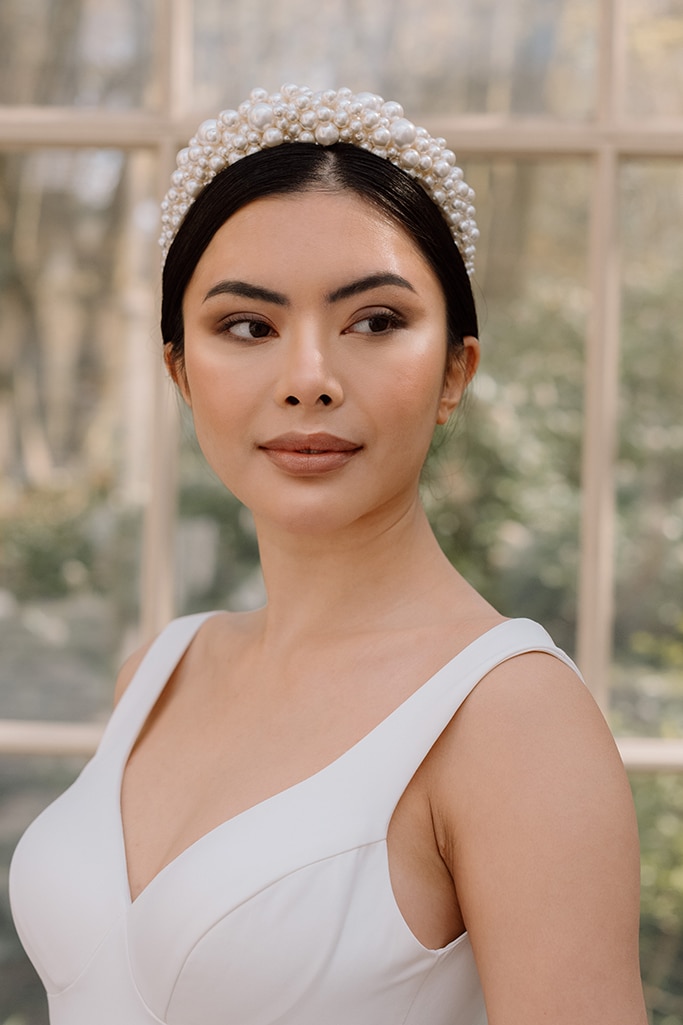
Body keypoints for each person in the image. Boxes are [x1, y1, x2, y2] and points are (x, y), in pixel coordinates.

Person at [10, 85, 647, 1025]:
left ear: (454, 372)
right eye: (247, 327)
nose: (308, 379)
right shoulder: (159, 671)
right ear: (181, 372)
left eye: (375, 321)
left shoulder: (509, 717)